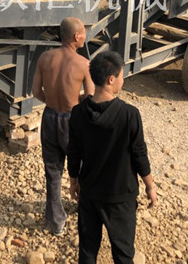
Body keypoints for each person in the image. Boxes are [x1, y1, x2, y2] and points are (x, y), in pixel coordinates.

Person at [67, 51, 156, 264]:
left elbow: (73, 151)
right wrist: (150, 186)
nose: (122, 80)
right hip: (120, 197)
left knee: (87, 251)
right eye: (121, 76)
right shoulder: (129, 114)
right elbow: (139, 154)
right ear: (110, 79)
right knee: (123, 254)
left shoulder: (78, 113)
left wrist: (73, 181)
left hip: (90, 192)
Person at [32, 17, 95, 235]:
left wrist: (51, 102)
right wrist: (73, 102)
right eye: (84, 33)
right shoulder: (83, 64)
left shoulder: (45, 58)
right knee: (82, 165)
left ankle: (56, 221)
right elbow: (90, 95)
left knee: (52, 170)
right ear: (76, 36)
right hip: (71, 120)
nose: (85, 36)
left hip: (49, 117)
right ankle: (84, 208)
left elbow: (36, 92)